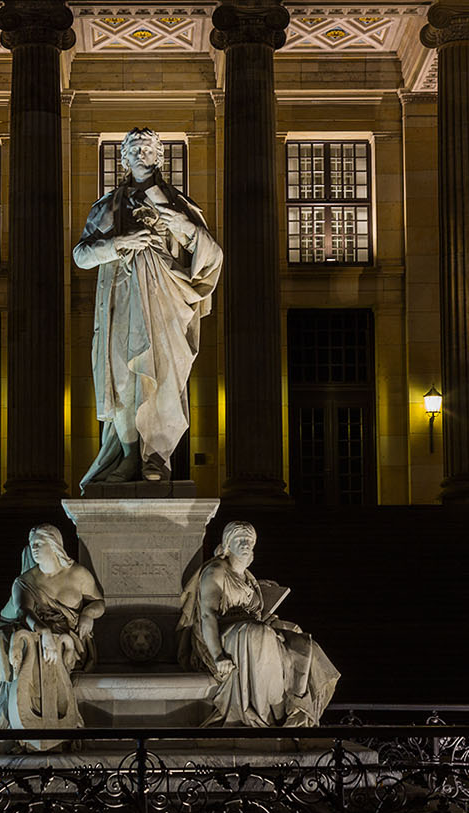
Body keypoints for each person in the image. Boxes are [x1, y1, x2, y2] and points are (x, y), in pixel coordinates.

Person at [73, 128, 223, 486]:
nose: (141, 153)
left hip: (167, 302)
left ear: (159, 156)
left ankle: (156, 455)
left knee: (164, 381)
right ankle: (127, 457)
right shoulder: (106, 207)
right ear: (123, 158)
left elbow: (213, 256)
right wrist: (118, 242)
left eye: (148, 148)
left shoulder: (182, 206)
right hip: (122, 302)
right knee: (124, 381)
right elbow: (81, 256)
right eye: (134, 149)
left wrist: (188, 229)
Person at [0, 525, 105, 748]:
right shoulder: (25, 580)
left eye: (39, 543)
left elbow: (99, 602)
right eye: (32, 544)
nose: (34, 548)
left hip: (69, 636)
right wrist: (44, 632)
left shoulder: (78, 574)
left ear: (54, 544)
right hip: (35, 631)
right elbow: (24, 611)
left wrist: (89, 614)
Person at [177, 521, 340, 727]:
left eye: (249, 540)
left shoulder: (248, 577)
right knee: (259, 634)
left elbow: (255, 614)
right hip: (221, 635)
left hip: (248, 627)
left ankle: (297, 710)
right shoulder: (216, 571)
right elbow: (208, 616)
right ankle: (269, 717)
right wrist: (218, 655)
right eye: (239, 539)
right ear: (228, 543)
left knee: (301, 641)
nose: (245, 543)